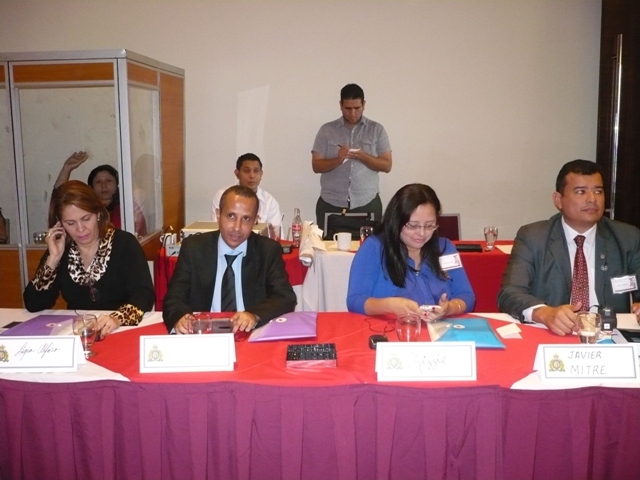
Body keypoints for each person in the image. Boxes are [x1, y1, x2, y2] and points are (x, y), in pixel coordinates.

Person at [498, 159, 640, 335]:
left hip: (611, 336)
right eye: (581, 192)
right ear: (559, 200)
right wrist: (544, 313)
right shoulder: (534, 237)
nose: (592, 199)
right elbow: (510, 292)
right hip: (553, 334)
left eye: (598, 191)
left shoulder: (627, 237)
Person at [23, 180, 155, 339]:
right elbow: (33, 304)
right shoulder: (61, 248)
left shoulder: (124, 243)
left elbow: (144, 295)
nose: (80, 229)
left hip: (119, 330)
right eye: (70, 223)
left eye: (86, 219)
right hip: (78, 333)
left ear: (98, 213)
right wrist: (53, 259)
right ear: (60, 224)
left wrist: (117, 318)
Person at [164, 185, 296, 334]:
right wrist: (180, 317)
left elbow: (285, 297)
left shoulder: (267, 250)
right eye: (231, 216)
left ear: (255, 221)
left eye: (246, 219)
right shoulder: (194, 248)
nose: (237, 228)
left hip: (250, 333)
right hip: (204, 333)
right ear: (218, 215)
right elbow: (174, 297)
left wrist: (254, 315)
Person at [347, 183, 475, 321]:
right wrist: (389, 305)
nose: (422, 233)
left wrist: (449, 308)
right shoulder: (374, 248)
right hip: (390, 329)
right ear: (396, 221)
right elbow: (355, 301)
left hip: (439, 329)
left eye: (429, 225)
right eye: (413, 226)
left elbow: (466, 296)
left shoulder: (444, 248)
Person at [312, 83, 392, 232]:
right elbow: (316, 166)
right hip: (331, 202)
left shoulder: (377, 130)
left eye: (357, 108)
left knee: (369, 245)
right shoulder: (326, 130)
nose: (353, 113)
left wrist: (363, 156)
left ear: (364, 105)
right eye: (348, 108)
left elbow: (387, 165)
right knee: (327, 245)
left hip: (367, 201)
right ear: (340, 105)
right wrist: (338, 160)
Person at [54, 152, 147, 236]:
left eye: (108, 181)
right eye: (98, 182)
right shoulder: (85, 208)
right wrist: (66, 169)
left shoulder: (127, 208)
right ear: (91, 187)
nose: (104, 186)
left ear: (117, 184)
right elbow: (59, 199)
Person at [211, 153, 281, 235]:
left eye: (256, 171)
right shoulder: (223, 195)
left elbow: (276, 236)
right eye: (247, 171)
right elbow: (217, 229)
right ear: (237, 174)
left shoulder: (270, 202)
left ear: (261, 174)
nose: (252, 176)